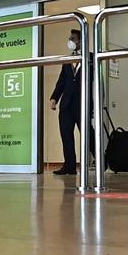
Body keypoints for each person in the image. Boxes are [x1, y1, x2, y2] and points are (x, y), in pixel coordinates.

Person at [49, 29, 85, 176]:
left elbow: (96, 82)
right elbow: (61, 81)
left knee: (88, 134)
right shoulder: (67, 60)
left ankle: (101, 160)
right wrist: (54, 98)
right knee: (66, 135)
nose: (70, 41)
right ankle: (69, 166)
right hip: (66, 105)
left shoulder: (90, 58)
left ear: (81, 40)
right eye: (69, 38)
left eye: (73, 38)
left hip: (82, 104)